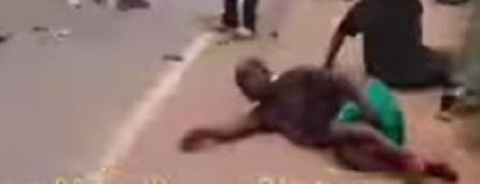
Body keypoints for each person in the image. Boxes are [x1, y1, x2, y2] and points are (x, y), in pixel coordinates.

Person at [179, 59, 458, 182]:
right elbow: (232, 129)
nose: (246, 87)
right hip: (355, 131)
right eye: (241, 85)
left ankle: (407, 156)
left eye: (247, 78)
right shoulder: (265, 114)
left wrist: (363, 103)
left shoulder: (298, 77)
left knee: (341, 130)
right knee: (348, 155)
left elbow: (342, 79)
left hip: (368, 102)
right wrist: (202, 132)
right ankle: (419, 165)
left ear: (264, 71)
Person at [324, 0, 460, 91]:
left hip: (381, 73)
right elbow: (417, 15)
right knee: (453, 58)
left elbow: (341, 32)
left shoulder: (365, 5)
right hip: (413, 67)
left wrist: (328, 62)